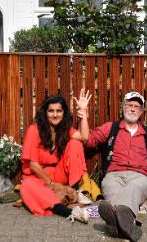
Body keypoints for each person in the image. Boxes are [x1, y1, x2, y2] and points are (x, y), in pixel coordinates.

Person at [84, 91, 147, 242]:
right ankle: (128, 226)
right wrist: (83, 114)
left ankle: (114, 223)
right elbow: (88, 140)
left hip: (140, 177)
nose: (132, 109)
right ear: (123, 107)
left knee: (134, 187)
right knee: (111, 187)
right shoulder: (111, 128)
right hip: (113, 175)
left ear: (141, 111)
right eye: (129, 105)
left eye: (137, 106)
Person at [20, 89, 92, 223]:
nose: (55, 115)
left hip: (59, 175)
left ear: (63, 113)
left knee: (76, 143)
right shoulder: (34, 130)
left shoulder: (64, 130)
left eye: (58, 111)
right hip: (38, 177)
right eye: (51, 111)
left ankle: (73, 191)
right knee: (27, 186)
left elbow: (84, 137)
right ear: (45, 113)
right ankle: (68, 211)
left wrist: (84, 113)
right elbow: (34, 165)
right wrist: (52, 185)